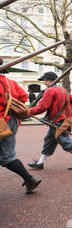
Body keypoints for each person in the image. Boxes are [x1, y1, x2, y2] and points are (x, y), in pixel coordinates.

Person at [27, 71, 72, 170]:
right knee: (49, 140)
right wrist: (67, 112)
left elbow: (42, 107)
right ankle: (40, 162)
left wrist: (28, 111)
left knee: (64, 140)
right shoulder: (63, 89)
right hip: (63, 119)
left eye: (44, 80)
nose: (44, 82)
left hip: (58, 120)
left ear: (49, 80)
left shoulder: (50, 90)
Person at [0, 59, 41, 194]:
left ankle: (29, 179)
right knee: (8, 155)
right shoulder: (11, 83)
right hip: (11, 121)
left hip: (1, 121)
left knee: (6, 156)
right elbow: (23, 97)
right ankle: (29, 179)